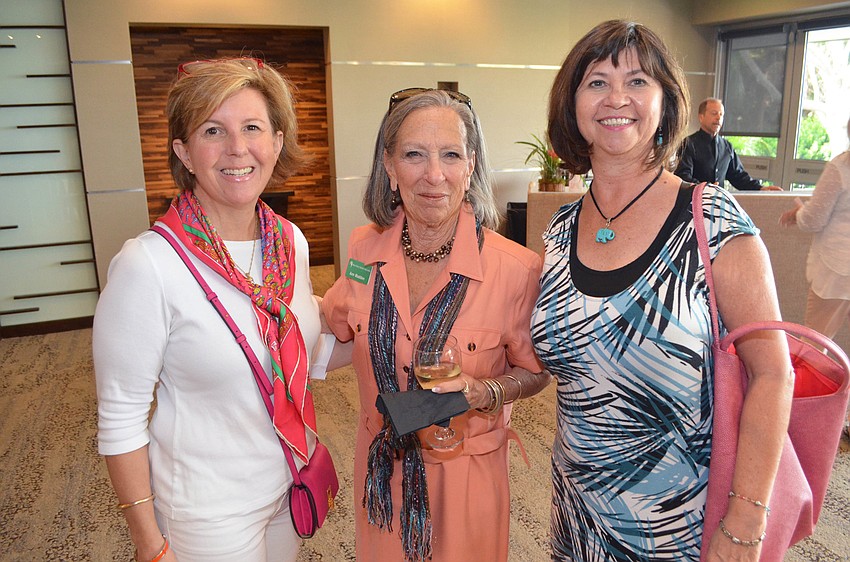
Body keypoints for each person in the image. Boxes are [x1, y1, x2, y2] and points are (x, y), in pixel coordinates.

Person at [532, 20, 794, 561]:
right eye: (597, 82)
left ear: (666, 101)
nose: (617, 98)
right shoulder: (559, 230)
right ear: (573, 102)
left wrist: (745, 521)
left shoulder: (712, 220)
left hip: (682, 526)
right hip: (577, 516)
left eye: (637, 81)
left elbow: (773, 372)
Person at [93, 58, 335, 562]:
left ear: (277, 140)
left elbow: (290, 351)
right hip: (208, 510)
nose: (237, 148)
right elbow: (120, 420)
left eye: (252, 127)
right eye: (213, 130)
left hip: (287, 479)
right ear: (184, 150)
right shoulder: (150, 265)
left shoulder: (288, 241)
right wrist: (148, 543)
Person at [320, 88, 551, 562]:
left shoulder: (516, 270)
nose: (433, 175)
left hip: (467, 477)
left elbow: (538, 372)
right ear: (388, 166)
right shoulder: (364, 251)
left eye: (450, 155)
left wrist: (484, 392)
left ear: (471, 165)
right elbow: (336, 326)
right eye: (413, 155)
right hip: (382, 472)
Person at [780, 115, 850, 437]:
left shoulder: (840, 168)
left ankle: (806, 422)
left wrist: (799, 212)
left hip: (837, 271)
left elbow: (814, 220)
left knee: (815, 348)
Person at [675, 97, 783, 191]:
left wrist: (760, 188)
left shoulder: (726, 146)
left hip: (718, 205)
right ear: (701, 117)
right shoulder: (688, 144)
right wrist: (705, 188)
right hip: (692, 204)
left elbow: (738, 176)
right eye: (714, 113)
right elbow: (683, 177)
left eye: (721, 114)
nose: (718, 118)